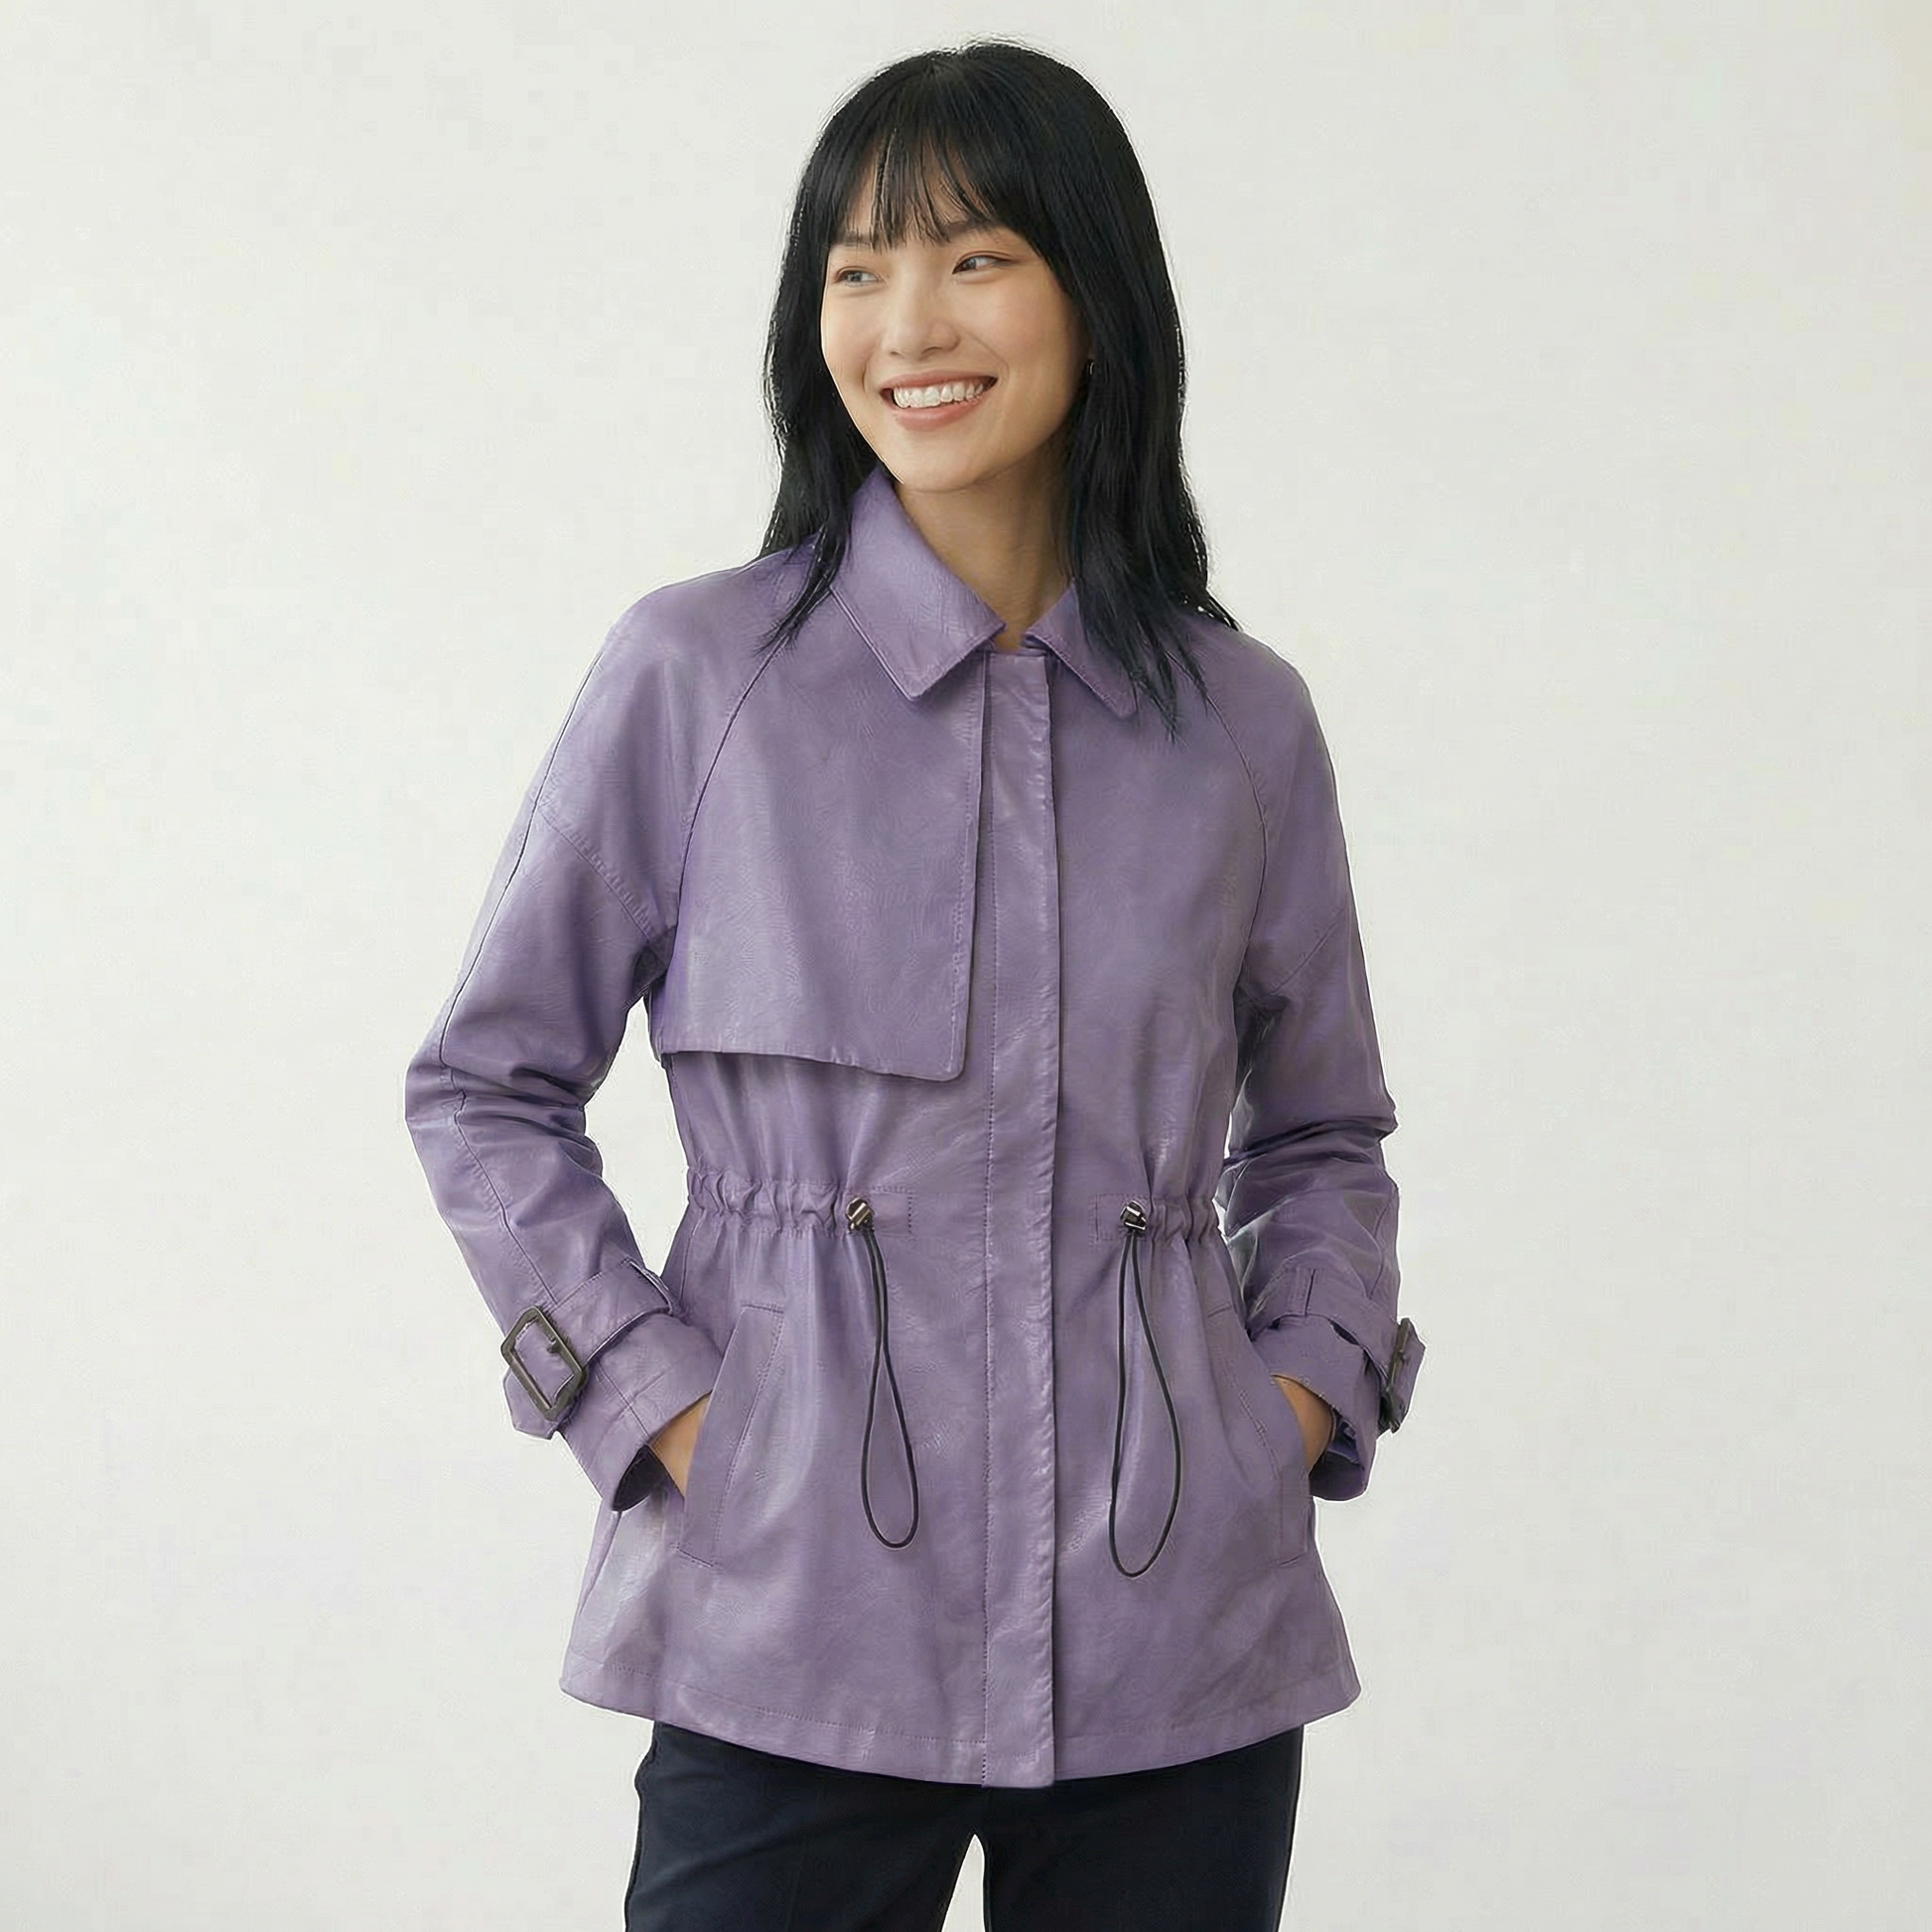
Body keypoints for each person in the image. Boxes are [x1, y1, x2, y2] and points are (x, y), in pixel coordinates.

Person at [403, 37, 1423, 1932]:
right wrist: (666, 1411)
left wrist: (1286, 1406)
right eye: (856, 267)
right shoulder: (697, 677)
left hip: (1171, 1639)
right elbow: (484, 1084)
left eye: (973, 256)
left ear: (1094, 294)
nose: (907, 324)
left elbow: (1322, 1134)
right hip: (784, 1618)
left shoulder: (1242, 721)